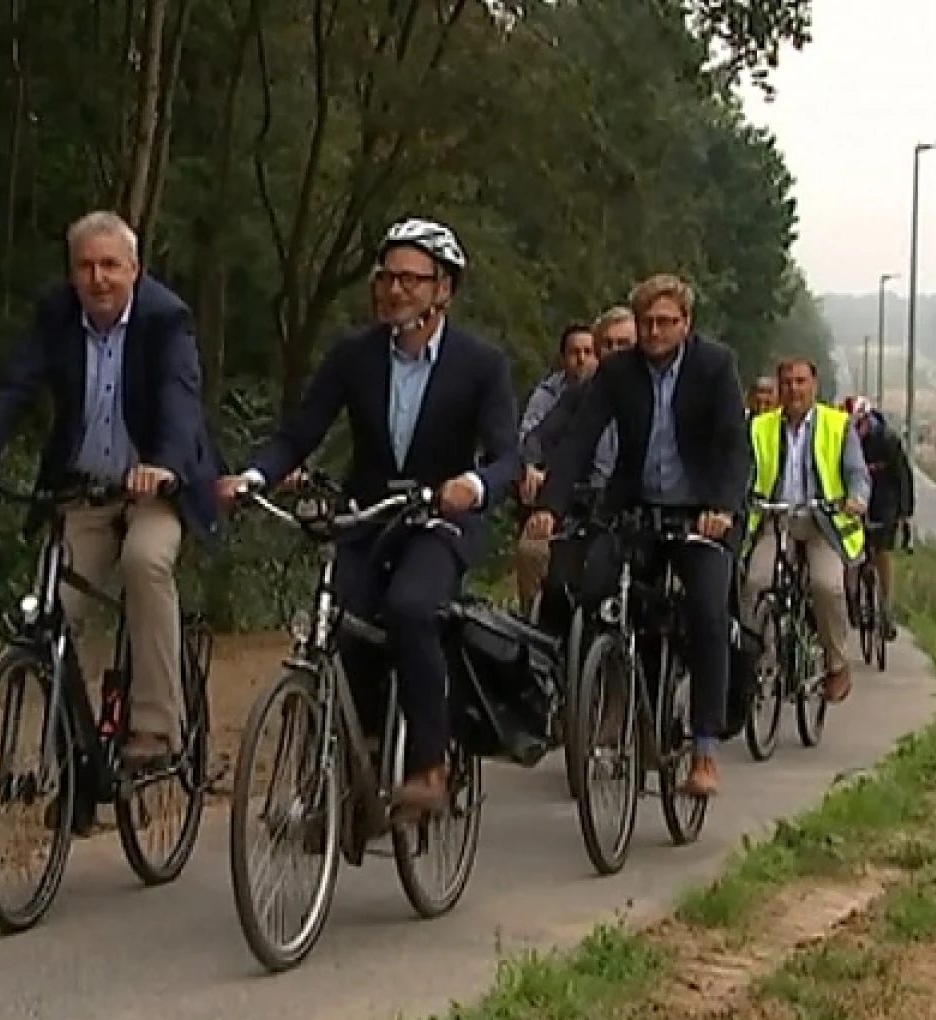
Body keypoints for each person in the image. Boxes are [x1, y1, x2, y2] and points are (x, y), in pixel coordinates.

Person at [217, 218, 519, 818]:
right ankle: (328, 778)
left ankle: (429, 765)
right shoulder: (353, 356)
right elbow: (301, 432)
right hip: (369, 517)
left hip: (439, 522)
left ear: (443, 290)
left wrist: (474, 484)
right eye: (386, 276)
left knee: (410, 608)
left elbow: (509, 455)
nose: (394, 290)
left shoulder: (480, 363)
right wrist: (253, 477)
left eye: (411, 278)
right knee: (336, 624)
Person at [0, 210, 220, 765]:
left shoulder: (166, 319)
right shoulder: (56, 316)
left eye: (110, 265)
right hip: (84, 489)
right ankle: (77, 757)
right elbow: (14, 391)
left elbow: (181, 401)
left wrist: (162, 464)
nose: (98, 279)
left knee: (144, 562)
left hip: (154, 489)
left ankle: (158, 727)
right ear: (71, 273)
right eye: (85, 267)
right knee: (49, 612)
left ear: (134, 269)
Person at [526, 274, 750, 798]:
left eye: (665, 322)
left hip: (699, 513)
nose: (653, 331)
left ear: (686, 324)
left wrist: (721, 507)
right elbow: (579, 439)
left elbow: (733, 447)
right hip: (634, 507)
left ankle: (704, 751)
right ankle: (606, 709)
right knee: (597, 593)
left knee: (706, 612)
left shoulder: (714, 366)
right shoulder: (618, 372)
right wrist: (551, 507)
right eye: (646, 321)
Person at [743, 358, 870, 704]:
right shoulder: (760, 427)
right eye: (787, 383)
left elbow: (857, 473)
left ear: (814, 385)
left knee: (826, 586)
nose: (793, 390)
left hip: (822, 523)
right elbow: (748, 470)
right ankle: (756, 661)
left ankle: (836, 664)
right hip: (776, 518)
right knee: (755, 583)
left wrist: (856, 499)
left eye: (800, 382)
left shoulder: (837, 425)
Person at [512, 322, 618, 612]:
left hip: (624, 506)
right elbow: (537, 437)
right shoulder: (564, 395)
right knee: (533, 550)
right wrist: (533, 468)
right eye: (607, 346)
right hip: (573, 499)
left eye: (623, 345)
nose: (584, 359)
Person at [850, 396, 914, 639]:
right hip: (856, 500)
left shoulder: (887, 440)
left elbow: (903, 477)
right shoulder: (848, 439)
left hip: (885, 500)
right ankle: (854, 596)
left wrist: (905, 513)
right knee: (851, 550)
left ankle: (886, 608)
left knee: (882, 552)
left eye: (860, 427)